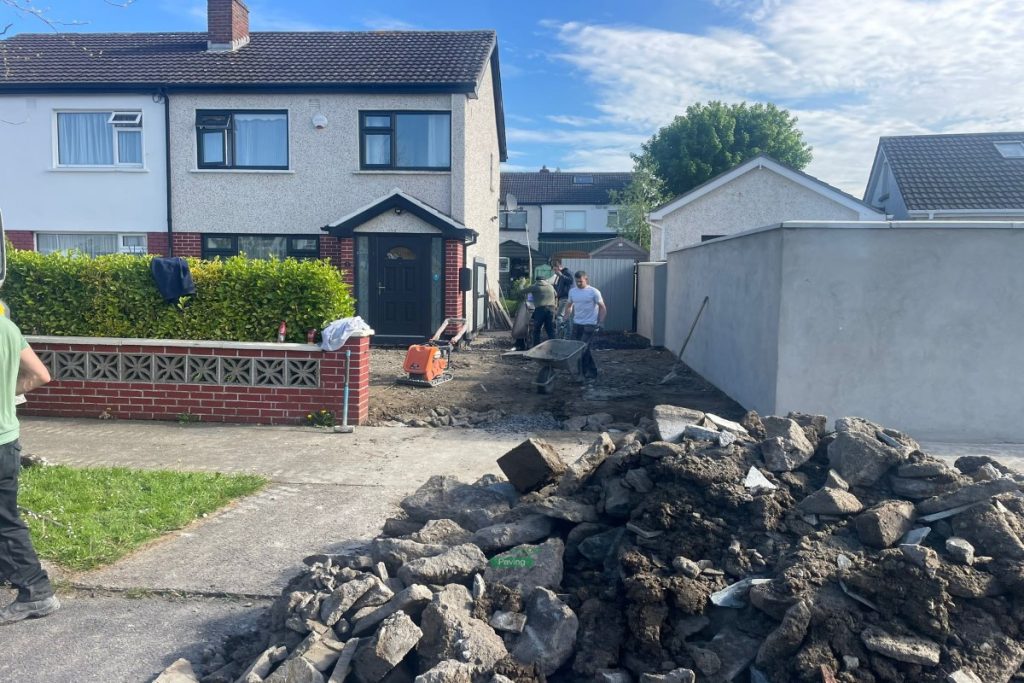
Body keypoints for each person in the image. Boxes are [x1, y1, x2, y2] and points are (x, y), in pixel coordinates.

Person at [0, 312, 59, 625]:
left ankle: (36, 591)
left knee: (5, 522)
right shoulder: (7, 327)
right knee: (5, 517)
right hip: (6, 440)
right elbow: (40, 376)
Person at [562, 271, 606, 378]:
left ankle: (584, 372)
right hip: (577, 324)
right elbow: (569, 305)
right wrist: (565, 317)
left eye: (580, 281)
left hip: (590, 324)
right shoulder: (573, 291)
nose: (579, 283)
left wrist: (600, 322)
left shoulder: (594, 292)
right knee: (575, 348)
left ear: (586, 279)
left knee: (582, 349)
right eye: (577, 282)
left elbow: (602, 307)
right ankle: (590, 371)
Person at [523, 276, 558, 347]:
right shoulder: (551, 287)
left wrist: (522, 284)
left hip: (540, 310)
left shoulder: (535, 287)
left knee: (537, 329)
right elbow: (556, 295)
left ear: (537, 281)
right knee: (550, 329)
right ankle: (554, 346)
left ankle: (536, 347)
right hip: (551, 309)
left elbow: (521, 291)